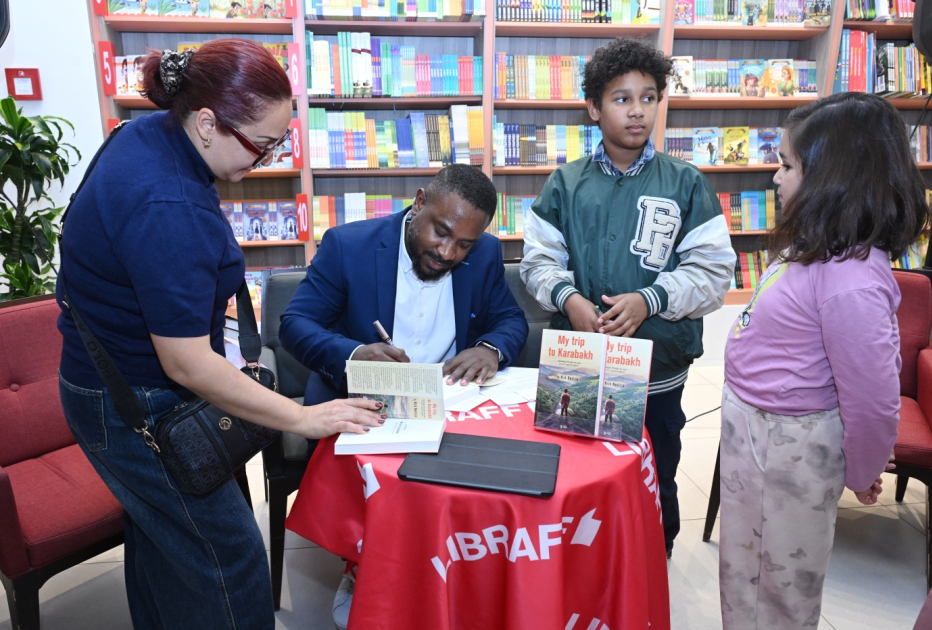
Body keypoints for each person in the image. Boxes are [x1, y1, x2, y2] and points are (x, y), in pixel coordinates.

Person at [56, 39, 384, 630]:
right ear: (206, 122)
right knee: (228, 557)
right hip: (134, 403)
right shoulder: (168, 203)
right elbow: (185, 364)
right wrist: (305, 418)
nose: (268, 159)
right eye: (262, 145)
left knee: (162, 542)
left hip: (106, 381)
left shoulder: (148, 134)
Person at [279, 163, 529, 630]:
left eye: (464, 245)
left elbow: (510, 321)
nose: (448, 251)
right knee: (391, 498)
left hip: (451, 406)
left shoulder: (487, 254)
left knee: (486, 485)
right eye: (441, 232)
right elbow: (294, 325)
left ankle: (456, 579)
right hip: (365, 405)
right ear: (418, 203)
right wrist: (355, 352)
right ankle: (369, 575)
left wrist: (489, 348)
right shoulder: (348, 245)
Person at [719, 92, 930, 630]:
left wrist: (862, 469)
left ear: (836, 178)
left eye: (787, 165)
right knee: (743, 569)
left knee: (784, 585)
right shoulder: (816, 246)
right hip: (753, 430)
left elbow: (873, 397)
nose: (775, 178)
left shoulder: (854, 279)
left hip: (792, 445)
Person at [520, 37, 735, 558]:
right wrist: (568, 298)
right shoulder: (564, 183)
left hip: (659, 363)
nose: (637, 110)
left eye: (648, 97)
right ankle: (581, 556)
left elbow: (714, 272)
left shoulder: (687, 183)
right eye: (621, 98)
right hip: (581, 361)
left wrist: (652, 299)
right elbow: (536, 262)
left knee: (655, 461)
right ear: (594, 108)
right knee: (578, 466)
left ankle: (653, 551)